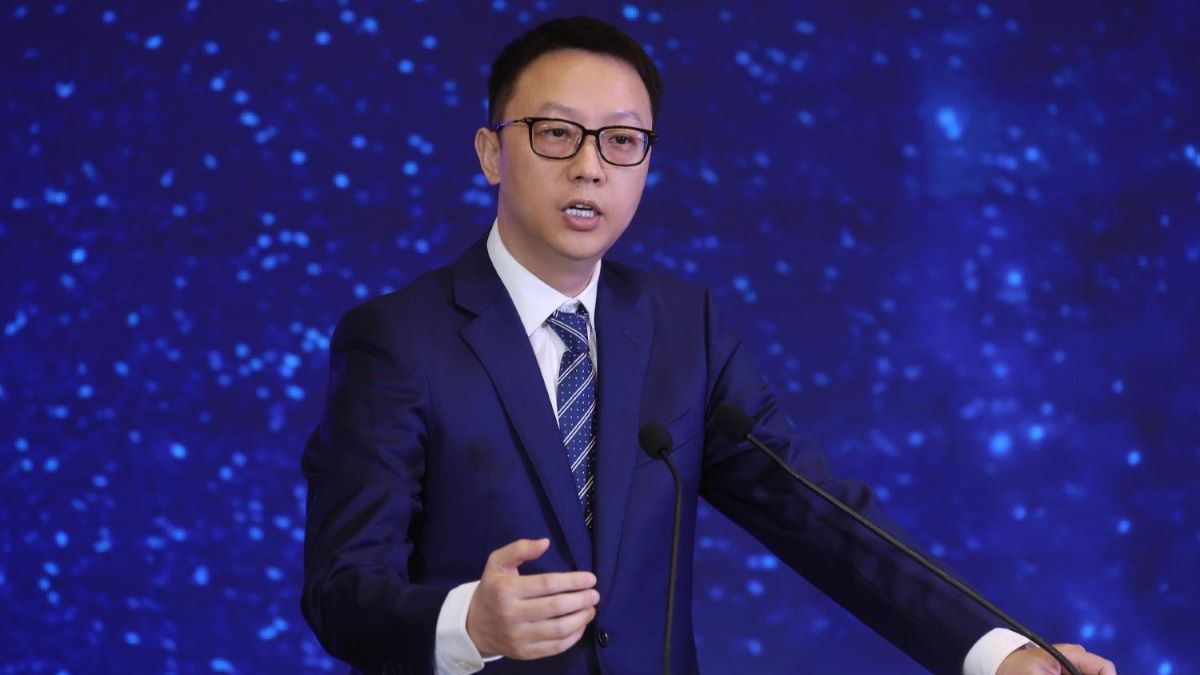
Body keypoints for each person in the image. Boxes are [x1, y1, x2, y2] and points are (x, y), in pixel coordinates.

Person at [301, 16, 1116, 675]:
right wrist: (468, 624)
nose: (590, 167)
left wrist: (997, 651)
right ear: (490, 151)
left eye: (622, 141)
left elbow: (817, 513)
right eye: (556, 133)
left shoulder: (680, 327)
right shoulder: (399, 340)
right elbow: (341, 588)